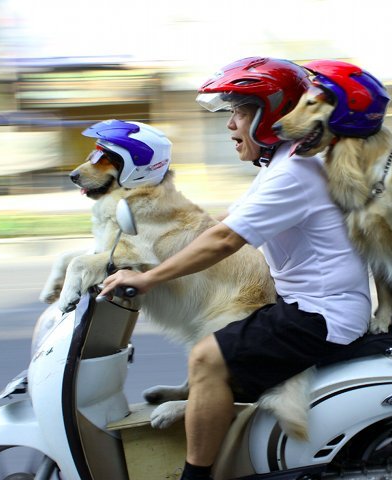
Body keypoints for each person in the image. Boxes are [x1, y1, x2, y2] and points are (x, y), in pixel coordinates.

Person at [99, 57, 372, 480]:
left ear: (272, 115)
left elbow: (226, 241)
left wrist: (149, 278)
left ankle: (196, 476)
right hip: (310, 306)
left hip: (320, 315)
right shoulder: (281, 166)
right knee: (221, 348)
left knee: (207, 357)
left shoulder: (294, 173)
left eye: (240, 112)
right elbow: (218, 226)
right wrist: (159, 220)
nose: (230, 125)